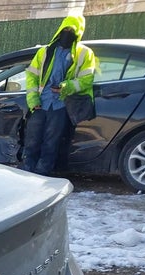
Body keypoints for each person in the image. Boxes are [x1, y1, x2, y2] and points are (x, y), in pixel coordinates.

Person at [22, 14, 96, 176]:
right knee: (32, 140)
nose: (67, 33)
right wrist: (33, 98)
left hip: (62, 105)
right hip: (41, 103)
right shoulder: (45, 51)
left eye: (72, 31)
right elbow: (32, 75)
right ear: (60, 30)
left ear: (78, 33)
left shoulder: (84, 53)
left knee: (51, 142)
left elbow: (87, 80)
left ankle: (42, 173)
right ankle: (27, 171)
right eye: (65, 29)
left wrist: (66, 87)